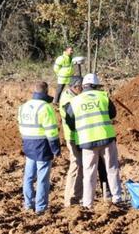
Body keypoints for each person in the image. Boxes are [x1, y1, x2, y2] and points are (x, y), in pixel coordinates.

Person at [64, 73, 123, 208]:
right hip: (106, 138)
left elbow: (70, 122)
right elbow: (112, 114)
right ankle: (116, 198)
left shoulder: (75, 101)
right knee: (112, 168)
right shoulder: (103, 97)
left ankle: (87, 203)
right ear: (95, 86)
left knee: (89, 172)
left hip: (87, 141)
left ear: (83, 86)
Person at [17, 81, 60, 213]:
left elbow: (21, 126)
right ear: (46, 91)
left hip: (28, 144)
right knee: (42, 178)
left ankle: (28, 204)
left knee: (29, 176)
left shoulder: (23, 107)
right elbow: (52, 132)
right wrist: (56, 149)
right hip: (42, 145)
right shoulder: (45, 107)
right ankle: (41, 207)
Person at [59, 76, 84, 206]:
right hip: (73, 136)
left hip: (80, 136)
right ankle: (70, 199)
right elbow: (72, 118)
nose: (83, 89)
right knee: (76, 165)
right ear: (75, 87)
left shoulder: (73, 96)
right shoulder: (67, 99)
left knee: (81, 166)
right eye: (82, 87)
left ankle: (76, 197)